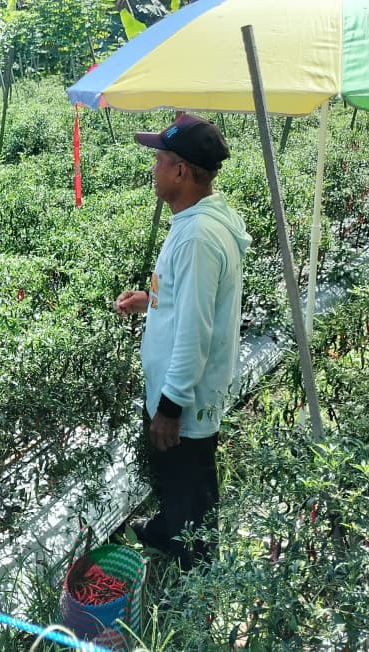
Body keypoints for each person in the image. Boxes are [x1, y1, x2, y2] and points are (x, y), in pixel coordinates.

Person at [114, 113, 251, 570]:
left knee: (193, 487)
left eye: (159, 160)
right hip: (184, 392)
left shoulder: (197, 237)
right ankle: (168, 531)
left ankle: (199, 576)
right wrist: (152, 300)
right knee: (180, 481)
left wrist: (170, 407)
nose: (152, 168)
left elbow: (195, 331)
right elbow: (189, 302)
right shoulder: (199, 219)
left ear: (180, 171)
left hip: (186, 401)